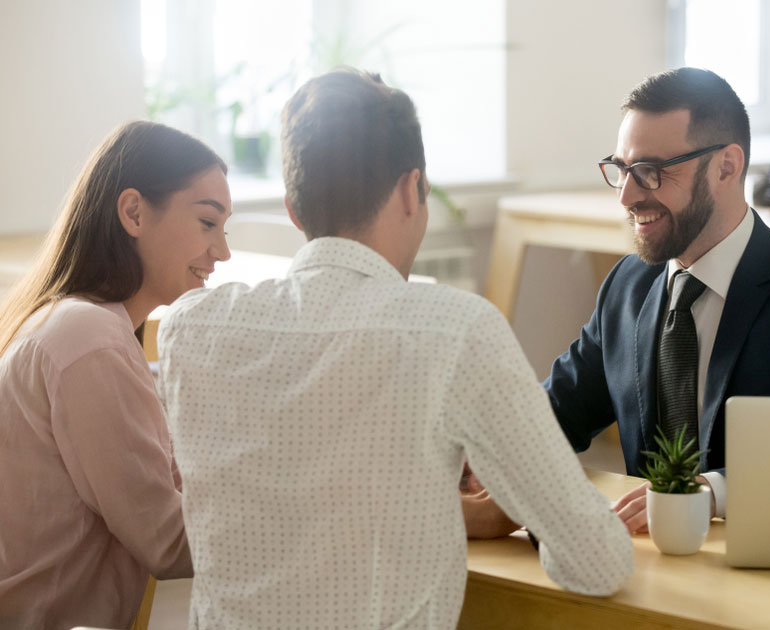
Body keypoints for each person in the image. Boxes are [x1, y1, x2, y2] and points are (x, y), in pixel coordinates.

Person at [156, 68, 632, 629]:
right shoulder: (456, 331)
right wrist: (508, 506)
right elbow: (597, 562)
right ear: (413, 190)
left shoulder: (190, 327)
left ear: (293, 208)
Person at [542, 68, 770, 533]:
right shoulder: (627, 286)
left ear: (726, 166)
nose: (627, 196)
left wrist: (709, 494)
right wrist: (473, 465)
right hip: (643, 568)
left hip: (769, 568)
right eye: (622, 170)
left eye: (651, 172)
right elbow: (552, 415)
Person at [0, 121, 232, 629]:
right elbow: (170, 543)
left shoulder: (71, 322)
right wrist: (314, 501)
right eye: (207, 223)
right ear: (133, 213)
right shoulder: (89, 340)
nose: (223, 252)